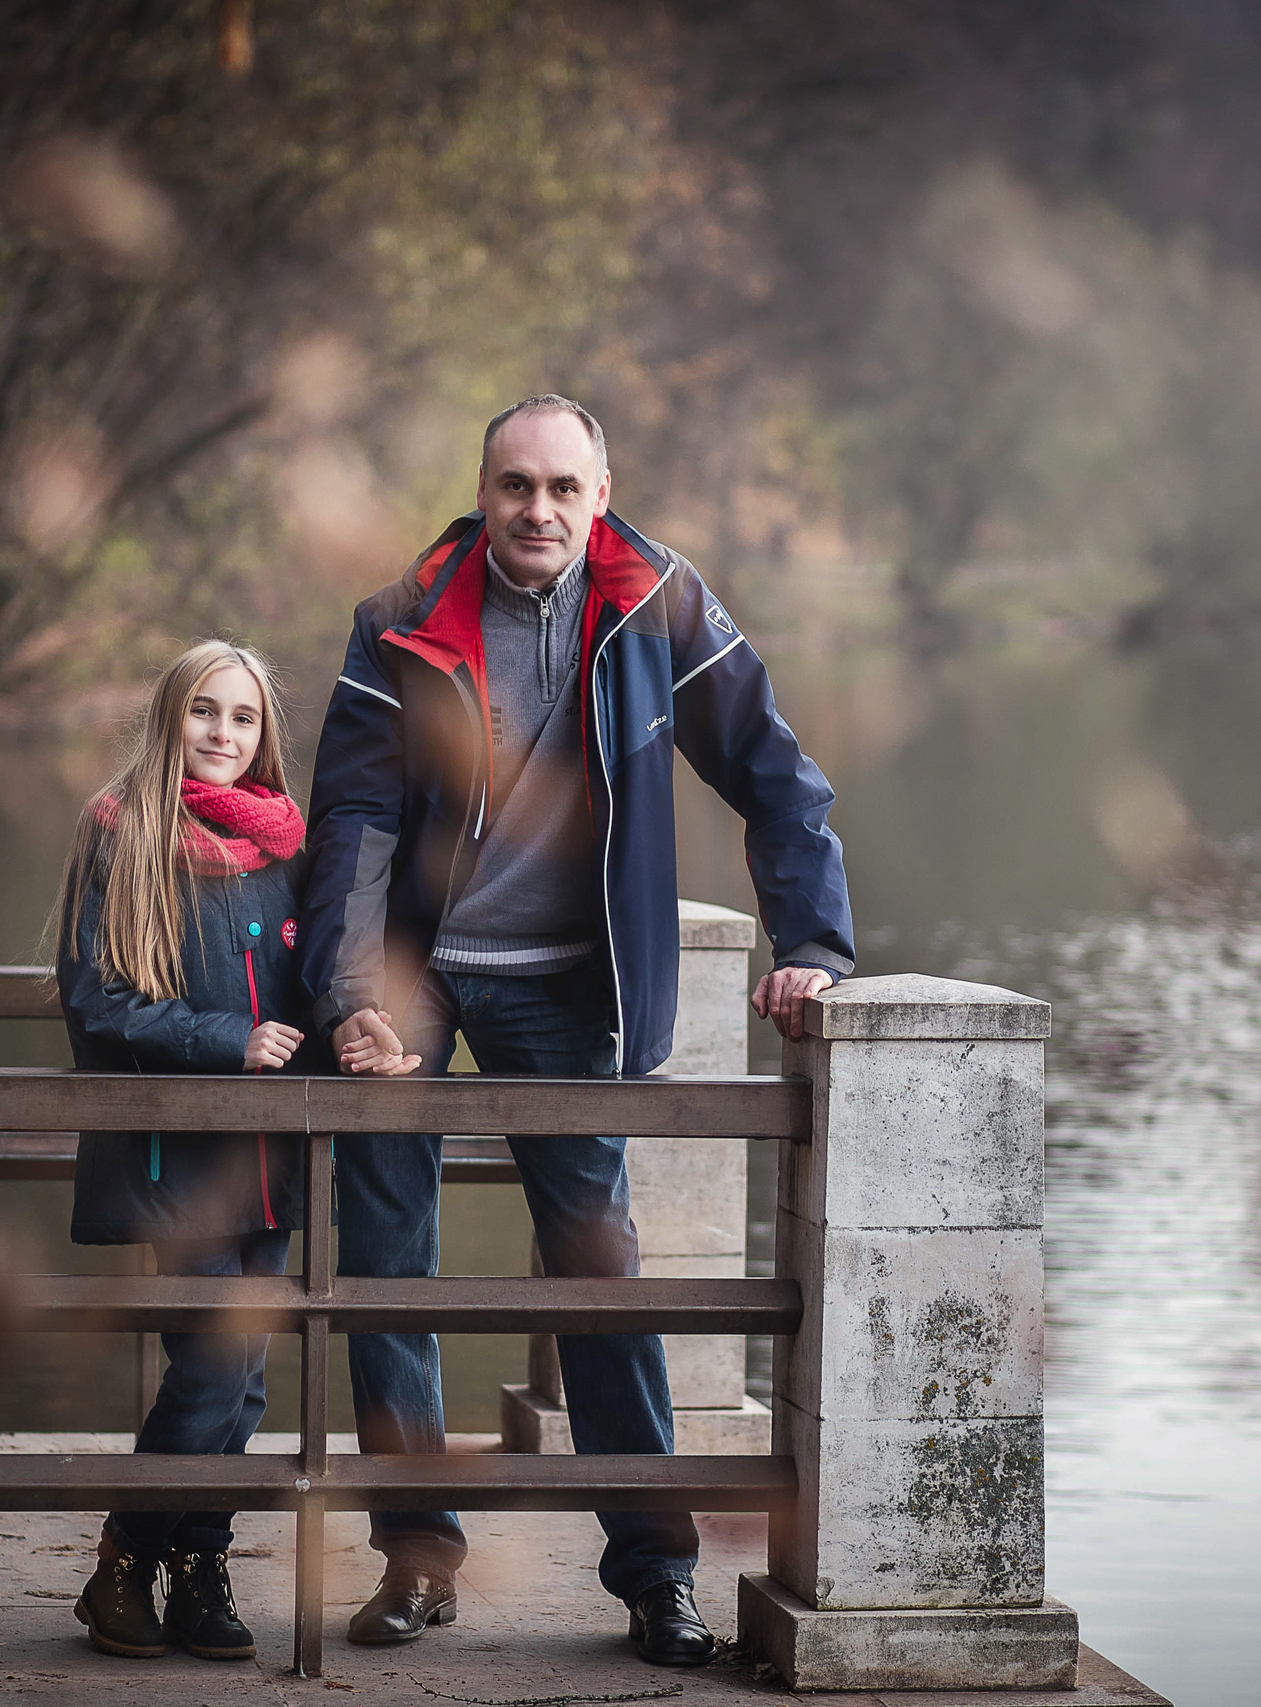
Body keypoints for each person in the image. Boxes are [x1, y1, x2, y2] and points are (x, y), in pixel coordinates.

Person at [300, 395, 854, 1665]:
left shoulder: (659, 605)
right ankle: (417, 1554)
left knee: (600, 1273)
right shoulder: (399, 618)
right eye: (515, 485)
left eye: (562, 487)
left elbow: (773, 773)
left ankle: (655, 1574)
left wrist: (812, 945)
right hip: (414, 976)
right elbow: (355, 822)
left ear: (601, 495)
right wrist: (353, 996)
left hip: (564, 980)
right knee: (384, 1259)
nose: (537, 509)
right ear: (482, 492)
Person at [55, 638, 326, 1662]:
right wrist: (227, 1040)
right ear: (171, 718)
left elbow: (320, 979)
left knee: (244, 1378)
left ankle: (200, 1564)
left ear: (264, 734)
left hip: (272, 1157)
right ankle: (124, 1561)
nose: (222, 731)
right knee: (214, 1364)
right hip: (181, 1159)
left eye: (243, 717)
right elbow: (96, 996)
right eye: (204, 710)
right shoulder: (122, 831)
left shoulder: (285, 845)